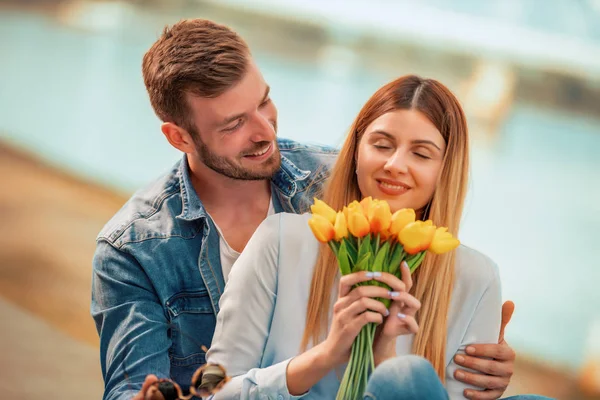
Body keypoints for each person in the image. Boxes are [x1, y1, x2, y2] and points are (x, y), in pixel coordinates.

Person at [91, 19, 519, 400]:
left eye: (264, 102)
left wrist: (480, 358)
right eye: (234, 123)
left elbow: (419, 207)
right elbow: (201, 381)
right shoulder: (135, 248)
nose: (265, 131)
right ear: (179, 137)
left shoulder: (345, 175)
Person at [206, 75, 551, 400]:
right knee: (409, 375)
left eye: (421, 153)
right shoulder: (281, 241)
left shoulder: (476, 276)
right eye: (382, 145)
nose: (395, 165)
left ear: (445, 171)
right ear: (356, 151)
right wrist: (326, 355)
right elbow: (214, 391)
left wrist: (384, 354)